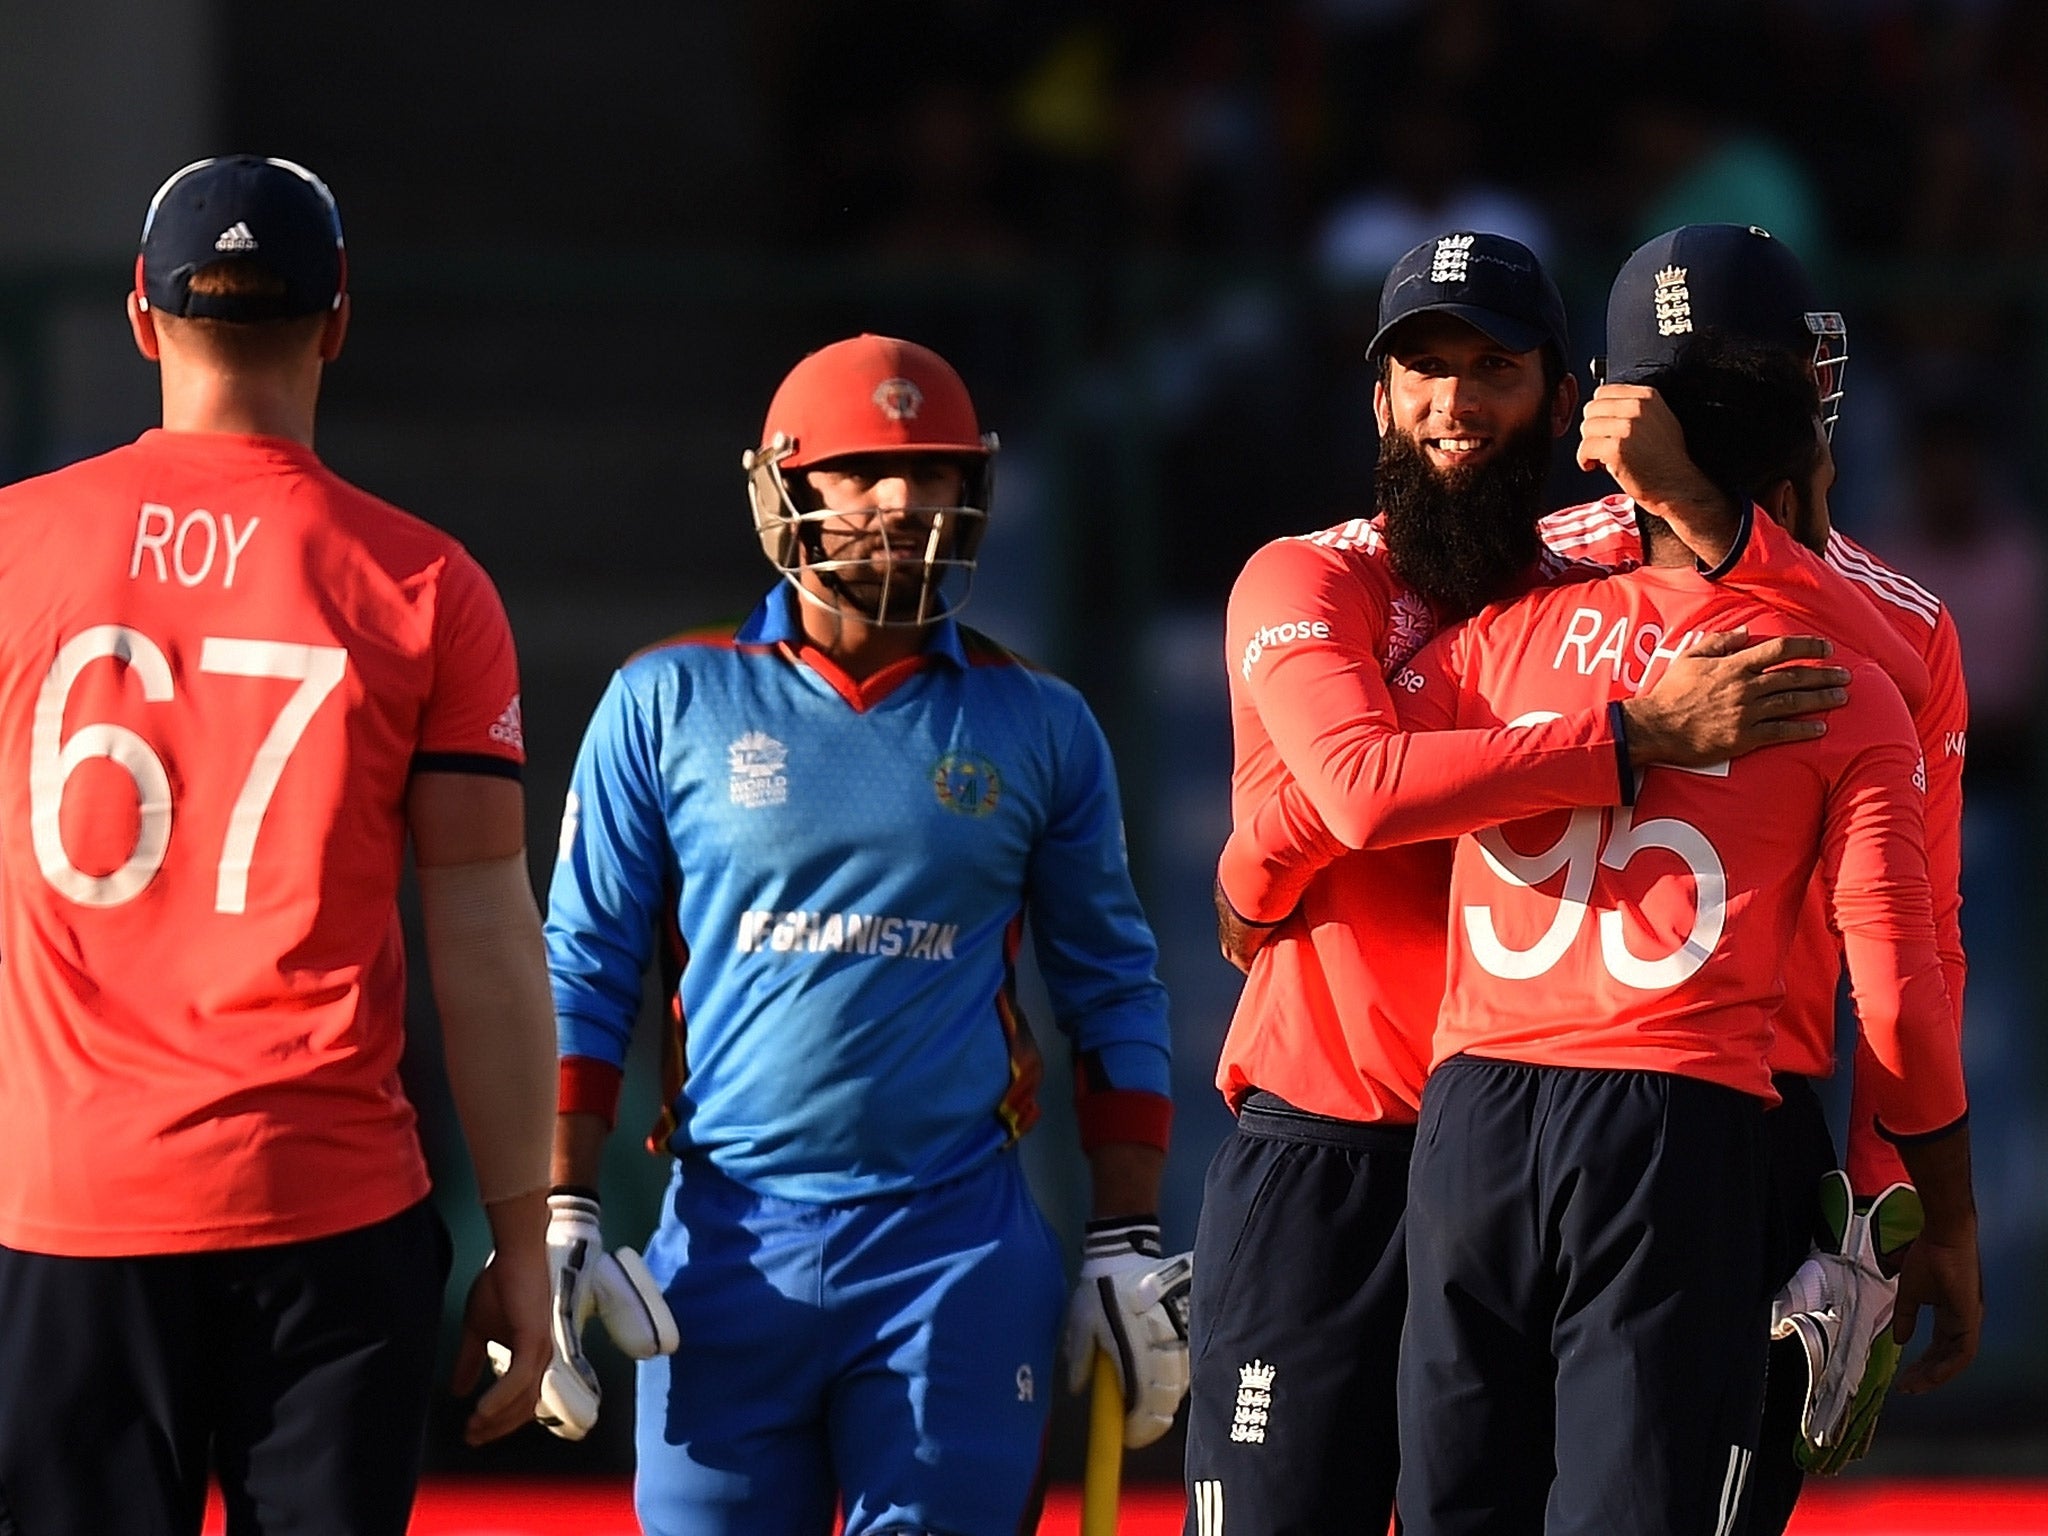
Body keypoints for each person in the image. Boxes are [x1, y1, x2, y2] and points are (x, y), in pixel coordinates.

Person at [1187, 232, 1865, 1536]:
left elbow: (1869, 675)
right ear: (1378, 397)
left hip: (1520, 1159)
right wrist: (1628, 739)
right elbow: (1354, 790)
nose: (1453, 402)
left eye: (1492, 367)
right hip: (1330, 1149)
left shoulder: (1593, 600)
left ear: (1566, 400)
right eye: (1422, 369)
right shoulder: (1312, 574)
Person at [543, 334, 1187, 1536]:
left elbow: (1113, 990)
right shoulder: (666, 699)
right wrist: (560, 1210)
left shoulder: (1039, 721)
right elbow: (583, 966)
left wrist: (1124, 1233)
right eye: (858, 473)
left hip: (953, 1253)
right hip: (723, 1244)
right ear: (784, 489)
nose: (901, 502)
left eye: (933, 473)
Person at [0, 156, 557, 1536]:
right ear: (339, 319)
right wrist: (523, 1238)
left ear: (141, 316)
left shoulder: (15, 547)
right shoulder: (427, 584)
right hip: (325, 1207)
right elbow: (484, 938)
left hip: (65, 1207)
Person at [1393, 335, 1978, 1536]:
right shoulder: (1845, 686)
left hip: (1465, 1131)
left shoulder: (1494, 637)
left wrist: (1248, 882)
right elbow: (1903, 998)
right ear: (1776, 501)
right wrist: (1942, 1214)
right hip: (1674, 1128)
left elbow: (1345, 792)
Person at [1548, 223, 1974, 1530]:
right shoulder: (1894, 628)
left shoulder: (1523, 569)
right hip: (1725, 1124)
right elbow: (1915, 956)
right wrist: (1905, 1212)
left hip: (1499, 1124)